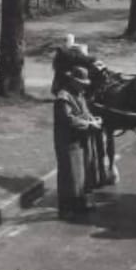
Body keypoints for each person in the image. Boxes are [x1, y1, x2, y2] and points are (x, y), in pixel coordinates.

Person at [52, 66, 102, 220]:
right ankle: (65, 209)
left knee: (82, 173)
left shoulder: (79, 94)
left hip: (81, 139)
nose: (83, 86)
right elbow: (68, 119)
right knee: (69, 174)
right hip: (68, 141)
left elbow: (85, 112)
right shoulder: (63, 97)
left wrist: (93, 119)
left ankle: (80, 203)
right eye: (81, 83)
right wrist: (89, 125)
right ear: (73, 81)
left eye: (84, 84)